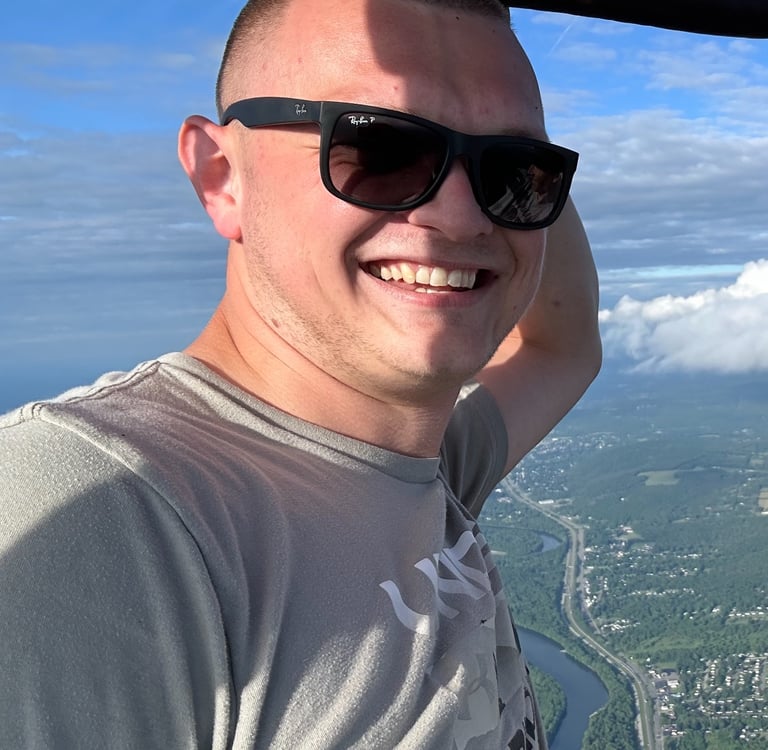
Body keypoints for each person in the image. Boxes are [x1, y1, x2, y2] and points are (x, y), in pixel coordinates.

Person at [0, 0, 601, 747]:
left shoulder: (427, 465)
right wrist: (499, 155)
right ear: (223, 176)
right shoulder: (92, 513)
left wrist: (512, 163)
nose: (462, 217)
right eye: (381, 151)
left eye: (515, 176)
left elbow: (563, 347)